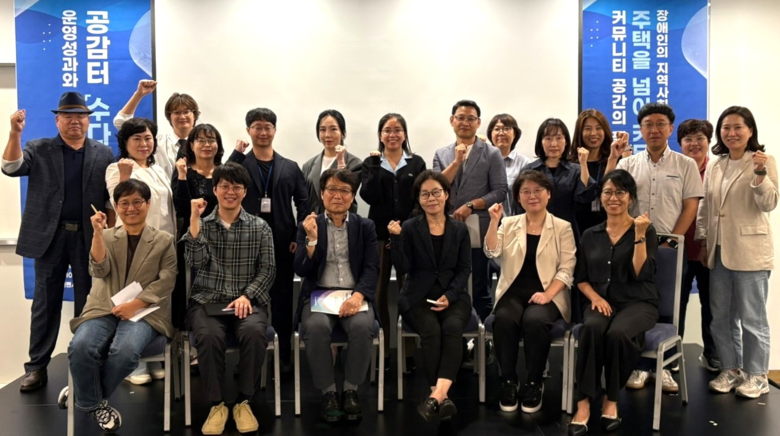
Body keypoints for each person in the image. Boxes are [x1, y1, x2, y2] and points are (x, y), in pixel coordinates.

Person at [2, 92, 114, 392]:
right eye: (68, 116)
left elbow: (110, 198)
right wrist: (14, 133)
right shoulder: (38, 148)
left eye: (80, 116)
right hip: (49, 238)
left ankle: (87, 364)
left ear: (88, 120)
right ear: (57, 120)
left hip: (89, 238)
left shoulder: (103, 153)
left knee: (89, 303)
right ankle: (36, 367)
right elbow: (11, 168)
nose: (75, 121)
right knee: (45, 304)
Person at [606, 102, 703, 393]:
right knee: (635, 305)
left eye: (661, 124)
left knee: (673, 306)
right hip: (634, 246)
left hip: (671, 248)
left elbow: (690, 206)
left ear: (670, 129)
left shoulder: (685, 164)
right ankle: (638, 364)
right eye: (648, 124)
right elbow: (612, 198)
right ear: (641, 129)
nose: (654, 129)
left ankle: (667, 368)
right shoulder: (628, 164)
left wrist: (671, 241)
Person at [66, 179, 177, 433]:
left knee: (125, 351)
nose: (131, 208)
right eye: (124, 203)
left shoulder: (164, 240)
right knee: (80, 347)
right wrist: (97, 233)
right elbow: (98, 269)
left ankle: (84, 395)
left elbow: (167, 280)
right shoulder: (105, 235)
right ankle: (94, 401)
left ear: (148, 204)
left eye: (137, 202)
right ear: (116, 206)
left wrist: (136, 304)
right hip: (103, 307)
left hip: (145, 311)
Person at [183, 162, 276, 435]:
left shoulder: (260, 227)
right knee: (208, 336)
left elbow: (268, 269)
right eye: (224, 186)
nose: (230, 192)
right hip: (206, 300)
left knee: (254, 332)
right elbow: (194, 261)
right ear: (215, 190)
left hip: (247, 301)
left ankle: (244, 401)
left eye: (236, 187)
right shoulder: (202, 225)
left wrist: (248, 295)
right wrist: (194, 221)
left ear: (245, 191)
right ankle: (217, 404)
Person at [569, 170, 659, 436]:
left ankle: (611, 399)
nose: (614, 198)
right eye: (608, 192)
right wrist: (596, 297)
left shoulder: (645, 229)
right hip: (601, 301)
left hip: (638, 302)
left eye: (620, 192)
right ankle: (584, 402)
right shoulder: (590, 234)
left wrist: (639, 235)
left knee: (618, 334)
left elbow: (641, 273)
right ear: (601, 197)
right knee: (591, 328)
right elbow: (581, 278)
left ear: (631, 197)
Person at [696, 106, 777, 398]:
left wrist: (759, 174)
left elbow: (769, 203)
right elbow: (706, 206)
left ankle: (758, 375)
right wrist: (703, 240)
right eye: (726, 128)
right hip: (718, 251)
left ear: (750, 130)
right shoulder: (716, 165)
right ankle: (731, 369)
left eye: (738, 127)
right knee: (721, 317)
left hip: (750, 252)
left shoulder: (763, 161)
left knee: (752, 319)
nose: (731, 133)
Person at [485, 170, 576, 414]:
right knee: (504, 319)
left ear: (548, 194)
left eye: (537, 191)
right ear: (518, 197)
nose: (532, 196)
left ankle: (535, 382)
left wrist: (548, 295)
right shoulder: (508, 223)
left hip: (548, 291)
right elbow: (492, 251)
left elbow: (567, 268)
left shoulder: (562, 227)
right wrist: (494, 222)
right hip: (513, 292)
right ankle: (508, 380)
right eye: (525, 191)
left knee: (535, 320)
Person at [294, 168, 379, 423]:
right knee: (316, 328)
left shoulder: (365, 226)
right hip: (319, 295)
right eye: (331, 189)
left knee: (362, 327)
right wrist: (311, 240)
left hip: (354, 295)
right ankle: (329, 393)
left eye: (344, 191)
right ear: (322, 193)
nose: (338, 196)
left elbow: (371, 267)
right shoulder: (309, 225)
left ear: (353, 196)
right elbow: (301, 269)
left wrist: (358, 297)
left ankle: (351, 390)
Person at [388, 170, 472, 421]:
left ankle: (435, 396)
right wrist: (396, 240)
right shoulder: (410, 227)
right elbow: (403, 267)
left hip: (453, 295)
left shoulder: (460, 229)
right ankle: (442, 396)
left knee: (452, 328)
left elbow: (464, 269)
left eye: (436, 192)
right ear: (418, 199)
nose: (431, 198)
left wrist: (450, 295)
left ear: (446, 195)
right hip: (417, 296)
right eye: (425, 194)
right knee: (431, 331)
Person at [230, 107, 309, 372]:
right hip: (246, 244)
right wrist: (236, 154)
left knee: (283, 301)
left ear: (274, 130)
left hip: (284, 244)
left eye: (267, 127)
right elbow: (223, 184)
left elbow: (304, 203)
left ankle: (284, 356)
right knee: (247, 301)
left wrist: (299, 235)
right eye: (257, 127)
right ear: (248, 130)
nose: (263, 132)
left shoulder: (290, 167)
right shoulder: (241, 164)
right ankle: (248, 358)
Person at [105, 117, 176, 384]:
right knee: (133, 299)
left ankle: (153, 356)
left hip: (162, 244)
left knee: (158, 300)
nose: (144, 144)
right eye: (137, 139)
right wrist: (125, 175)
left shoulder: (158, 169)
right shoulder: (117, 168)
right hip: (134, 244)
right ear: (125, 142)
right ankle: (133, 364)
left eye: (148, 138)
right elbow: (119, 201)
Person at [360, 113, 427, 370]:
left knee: (407, 291)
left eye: (397, 130)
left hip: (409, 235)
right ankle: (383, 354)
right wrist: (376, 166)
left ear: (405, 134)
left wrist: (403, 229)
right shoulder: (371, 163)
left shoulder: (416, 162)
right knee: (378, 294)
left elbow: (421, 199)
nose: (392, 135)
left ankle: (408, 354)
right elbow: (368, 196)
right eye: (387, 130)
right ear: (380, 135)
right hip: (378, 236)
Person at [432, 99, 507, 322]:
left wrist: (471, 205)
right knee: (451, 283)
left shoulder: (491, 153)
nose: (465, 122)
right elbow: (437, 187)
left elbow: (500, 191)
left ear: (478, 123)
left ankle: (483, 337)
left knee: (479, 286)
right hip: (446, 227)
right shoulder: (441, 154)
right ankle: (458, 335)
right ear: (452, 120)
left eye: (471, 119)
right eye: (460, 118)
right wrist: (456, 162)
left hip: (479, 227)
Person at [677, 119, 720, 372]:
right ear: (680, 143)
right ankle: (671, 354)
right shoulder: (676, 170)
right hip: (678, 250)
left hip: (709, 250)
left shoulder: (717, 170)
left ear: (709, 141)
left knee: (712, 306)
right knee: (675, 306)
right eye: (688, 139)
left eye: (700, 138)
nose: (694, 144)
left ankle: (712, 353)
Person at [518, 118, 597, 239]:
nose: (554, 144)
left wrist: (583, 164)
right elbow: (519, 207)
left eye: (559, 138)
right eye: (548, 138)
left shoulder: (576, 170)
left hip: (567, 233)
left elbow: (587, 197)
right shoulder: (529, 171)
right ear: (541, 142)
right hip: (535, 232)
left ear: (566, 142)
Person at [114, 80, 200, 178]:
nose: (182, 116)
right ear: (169, 116)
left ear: (194, 115)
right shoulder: (157, 141)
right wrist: (139, 94)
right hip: (162, 187)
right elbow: (120, 122)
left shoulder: (205, 143)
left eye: (186, 112)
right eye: (177, 112)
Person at [568, 109, 624, 234]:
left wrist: (613, 159)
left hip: (608, 227)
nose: (593, 133)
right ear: (580, 132)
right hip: (575, 229)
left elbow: (609, 189)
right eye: (587, 129)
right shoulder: (570, 163)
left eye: (598, 128)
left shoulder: (615, 159)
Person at [301, 109, 362, 214]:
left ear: (343, 133)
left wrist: (341, 163)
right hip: (314, 220)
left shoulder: (355, 163)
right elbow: (304, 199)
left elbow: (347, 192)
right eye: (322, 130)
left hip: (341, 220)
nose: (327, 135)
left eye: (333, 129)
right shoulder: (308, 165)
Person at [487, 113, 531, 216]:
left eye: (506, 129)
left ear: (515, 134)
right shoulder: (484, 161)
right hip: (488, 221)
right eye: (497, 129)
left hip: (516, 221)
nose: (501, 133)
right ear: (491, 134)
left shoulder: (523, 162)